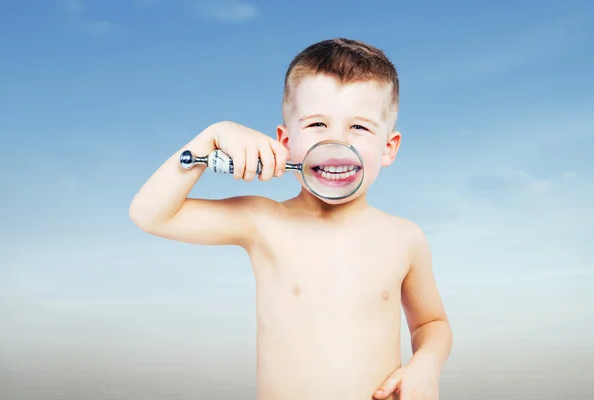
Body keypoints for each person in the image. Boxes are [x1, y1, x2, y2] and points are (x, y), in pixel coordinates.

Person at [129, 37, 452, 400]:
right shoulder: (263, 221)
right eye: (317, 125)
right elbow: (149, 214)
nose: (336, 142)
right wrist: (211, 137)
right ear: (285, 141)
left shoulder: (404, 238)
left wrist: (426, 364)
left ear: (388, 148)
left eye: (358, 128)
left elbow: (432, 323)